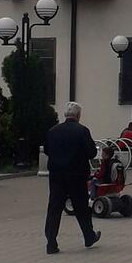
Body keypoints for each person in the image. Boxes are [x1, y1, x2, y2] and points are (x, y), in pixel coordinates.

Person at [42, 102, 102, 254]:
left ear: (65, 115)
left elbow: (47, 150)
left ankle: (51, 243)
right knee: (81, 207)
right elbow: (91, 153)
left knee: (54, 208)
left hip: (56, 175)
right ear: (78, 115)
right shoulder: (82, 131)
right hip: (77, 175)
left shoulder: (53, 131)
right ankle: (89, 236)